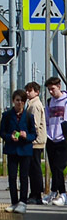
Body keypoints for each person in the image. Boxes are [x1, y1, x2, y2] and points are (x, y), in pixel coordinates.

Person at [1, 89, 38, 213]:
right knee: (12, 177)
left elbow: (34, 134)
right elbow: (2, 132)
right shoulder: (6, 115)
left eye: (22, 100)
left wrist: (26, 136)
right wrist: (8, 137)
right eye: (17, 100)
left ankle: (22, 202)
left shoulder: (28, 117)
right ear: (13, 101)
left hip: (25, 150)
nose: (20, 103)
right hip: (12, 149)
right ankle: (14, 202)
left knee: (23, 176)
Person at [44, 77, 67, 207]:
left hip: (63, 139)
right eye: (49, 90)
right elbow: (47, 119)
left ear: (59, 86)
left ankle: (63, 194)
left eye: (52, 89)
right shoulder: (49, 102)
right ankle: (54, 192)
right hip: (51, 138)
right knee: (54, 167)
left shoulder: (66, 101)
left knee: (59, 167)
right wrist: (48, 133)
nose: (51, 92)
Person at [25, 81, 48, 204]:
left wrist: (27, 136)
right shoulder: (32, 104)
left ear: (37, 92)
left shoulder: (35, 106)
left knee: (35, 169)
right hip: (34, 141)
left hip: (35, 142)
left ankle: (36, 194)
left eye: (30, 90)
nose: (27, 93)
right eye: (27, 90)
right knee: (33, 169)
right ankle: (34, 193)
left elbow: (34, 125)